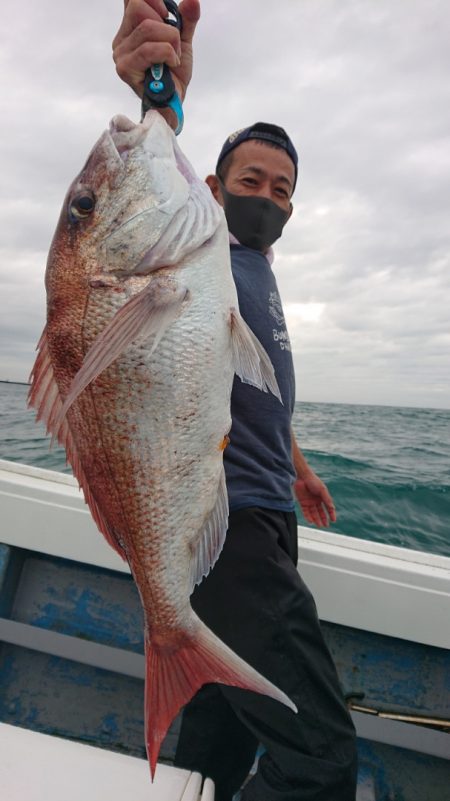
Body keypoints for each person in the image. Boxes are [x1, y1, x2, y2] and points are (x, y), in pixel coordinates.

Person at [113, 3, 358, 800]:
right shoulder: (202, 245)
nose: (268, 196)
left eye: (283, 189)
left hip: (266, 507)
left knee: (218, 731)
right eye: (251, 181)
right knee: (320, 758)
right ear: (214, 188)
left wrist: (298, 466)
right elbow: (143, 195)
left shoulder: (262, 270)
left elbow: (253, 391)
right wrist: (161, 97)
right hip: (223, 523)